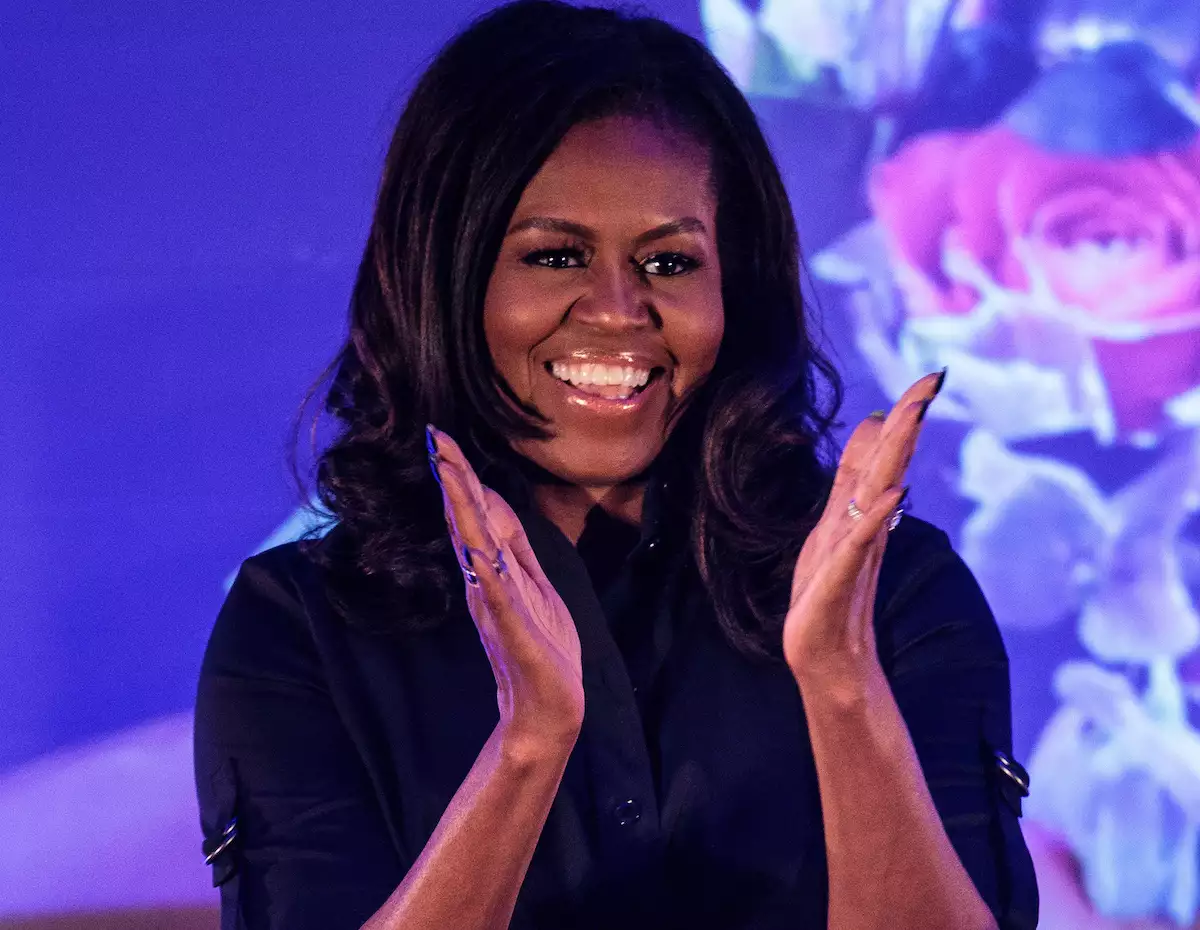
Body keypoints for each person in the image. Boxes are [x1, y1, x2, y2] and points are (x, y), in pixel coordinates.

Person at [193, 2, 1039, 928]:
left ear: (736, 289)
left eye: (670, 263)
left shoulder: (899, 600)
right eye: (555, 255)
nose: (617, 309)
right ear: (442, 277)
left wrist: (842, 686)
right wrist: (529, 746)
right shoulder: (302, 629)